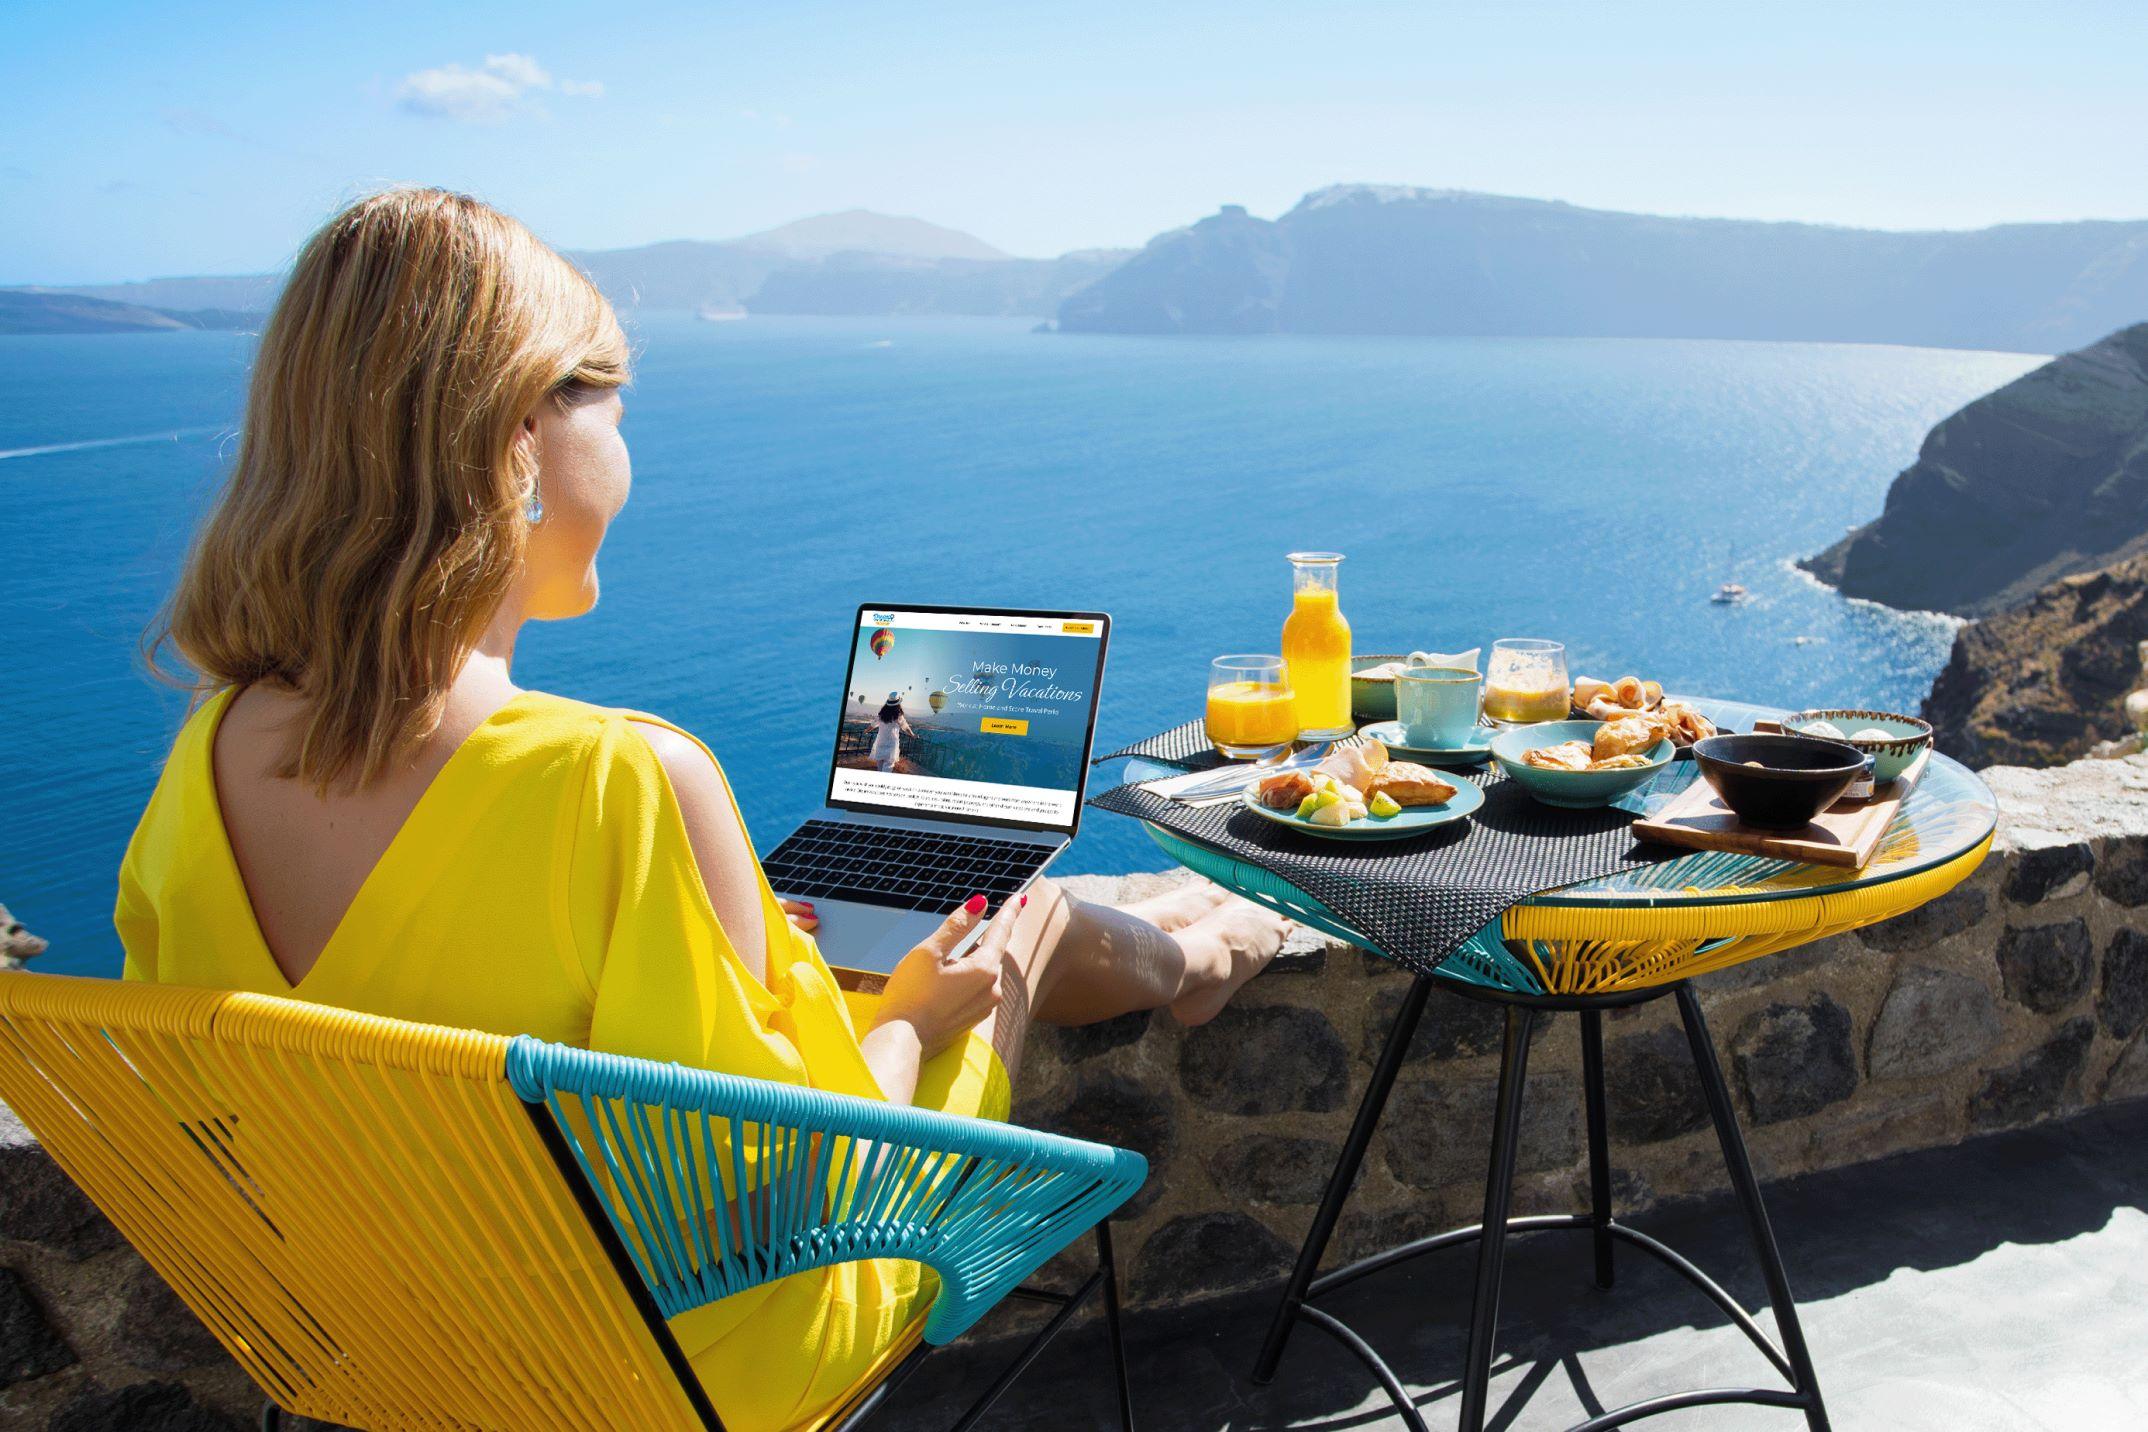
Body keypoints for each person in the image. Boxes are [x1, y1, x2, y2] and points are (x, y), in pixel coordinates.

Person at [115, 187, 1291, 1432]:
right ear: (520, 438)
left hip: (404, 1362)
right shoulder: (614, 779)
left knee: (894, 944)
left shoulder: (200, 766)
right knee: (1026, 917)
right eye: (612, 405)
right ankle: (1213, 946)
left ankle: (1189, 925)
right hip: (690, 1363)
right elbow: (783, 1203)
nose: (626, 452)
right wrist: (901, 1025)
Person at [870, 691, 913, 771]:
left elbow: (873, 725)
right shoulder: (898, 715)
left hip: (881, 742)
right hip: (891, 744)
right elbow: (905, 727)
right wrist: (912, 734)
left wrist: (866, 730)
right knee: (888, 767)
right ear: (898, 703)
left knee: (879, 766)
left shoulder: (882, 714)